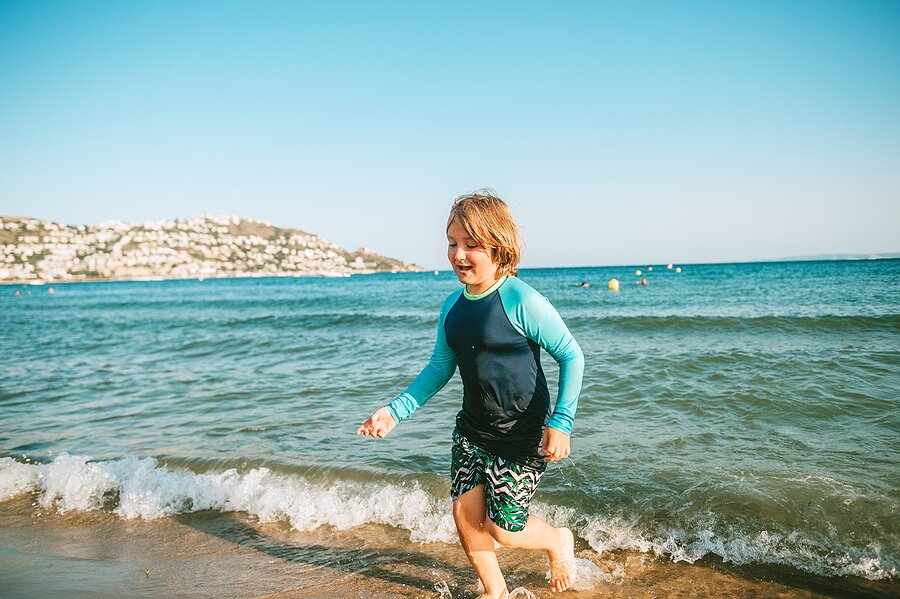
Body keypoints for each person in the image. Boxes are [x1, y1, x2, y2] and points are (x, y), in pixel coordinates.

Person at [357, 192, 585, 597]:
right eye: (452, 243)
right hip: (471, 430)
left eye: (471, 245)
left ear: (499, 247)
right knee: (465, 515)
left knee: (505, 529)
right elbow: (439, 368)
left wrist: (561, 422)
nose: (458, 254)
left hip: (521, 434)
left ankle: (557, 541)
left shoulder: (521, 299)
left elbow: (571, 354)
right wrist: (395, 411)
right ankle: (496, 591)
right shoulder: (452, 307)